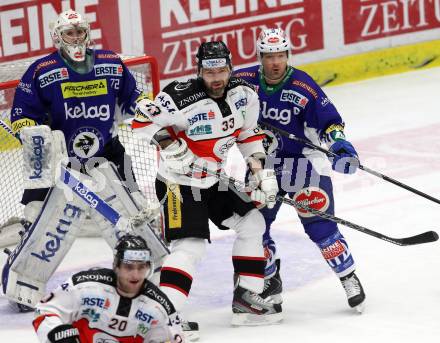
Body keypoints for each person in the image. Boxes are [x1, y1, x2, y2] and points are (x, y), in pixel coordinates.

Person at [1, 9, 159, 312]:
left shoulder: (111, 64)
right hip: (55, 161)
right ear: (58, 38)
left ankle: (140, 276)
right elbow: (22, 115)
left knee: (134, 214)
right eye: (70, 33)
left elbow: (131, 98)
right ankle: (21, 281)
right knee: (37, 220)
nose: (77, 38)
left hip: (107, 152)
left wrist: (145, 107)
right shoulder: (41, 71)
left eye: (80, 32)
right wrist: (35, 137)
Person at [132, 40, 282, 326]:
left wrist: (260, 171)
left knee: (252, 222)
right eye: (210, 72)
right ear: (200, 71)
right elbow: (140, 122)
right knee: (190, 246)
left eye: (222, 71)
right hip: (178, 184)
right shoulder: (177, 97)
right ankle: (163, 318)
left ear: (230, 68)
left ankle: (246, 296)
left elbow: (248, 135)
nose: (216, 78)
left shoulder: (245, 94)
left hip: (214, 180)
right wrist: (167, 143)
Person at [234, 28, 366, 312]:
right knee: (254, 228)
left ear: (287, 55)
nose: (275, 62)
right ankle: (270, 281)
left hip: (303, 164)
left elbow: (329, 122)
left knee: (321, 227)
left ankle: (348, 277)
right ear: (260, 57)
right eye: (269, 56)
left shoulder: (303, 86)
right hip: (261, 165)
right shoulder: (241, 82)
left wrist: (340, 144)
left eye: (280, 55)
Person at [32, 234, 184, 343]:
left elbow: (173, 338)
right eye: (129, 267)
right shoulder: (84, 286)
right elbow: (45, 310)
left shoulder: (160, 309)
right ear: (116, 267)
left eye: (141, 267)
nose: (135, 274)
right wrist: (57, 332)